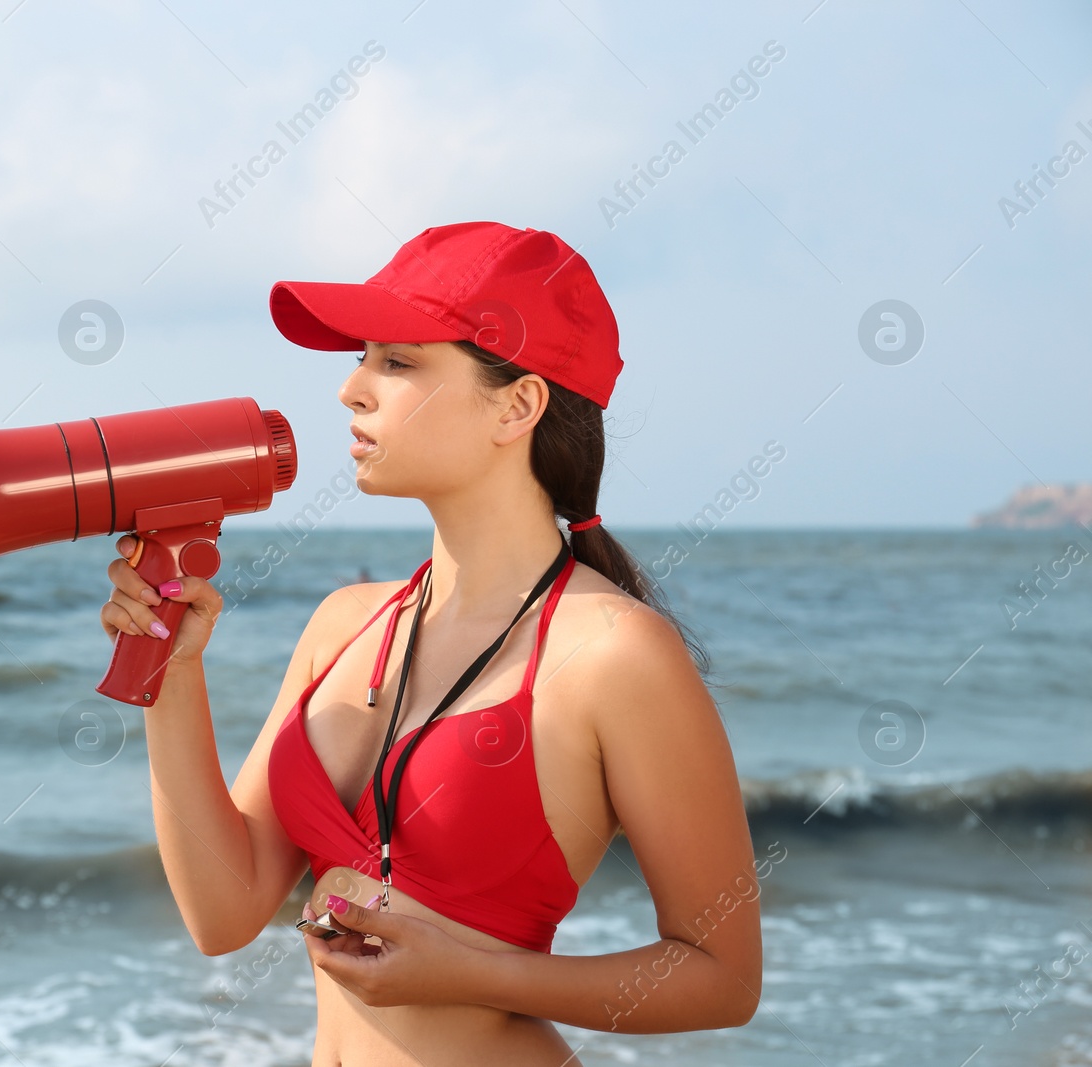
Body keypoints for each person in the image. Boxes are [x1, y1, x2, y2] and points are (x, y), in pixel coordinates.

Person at [101, 221, 761, 1064]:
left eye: (397, 361)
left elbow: (723, 979)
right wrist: (174, 671)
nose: (351, 389)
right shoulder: (346, 622)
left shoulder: (614, 651)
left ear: (518, 404)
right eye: (361, 356)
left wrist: (477, 971)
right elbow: (222, 915)